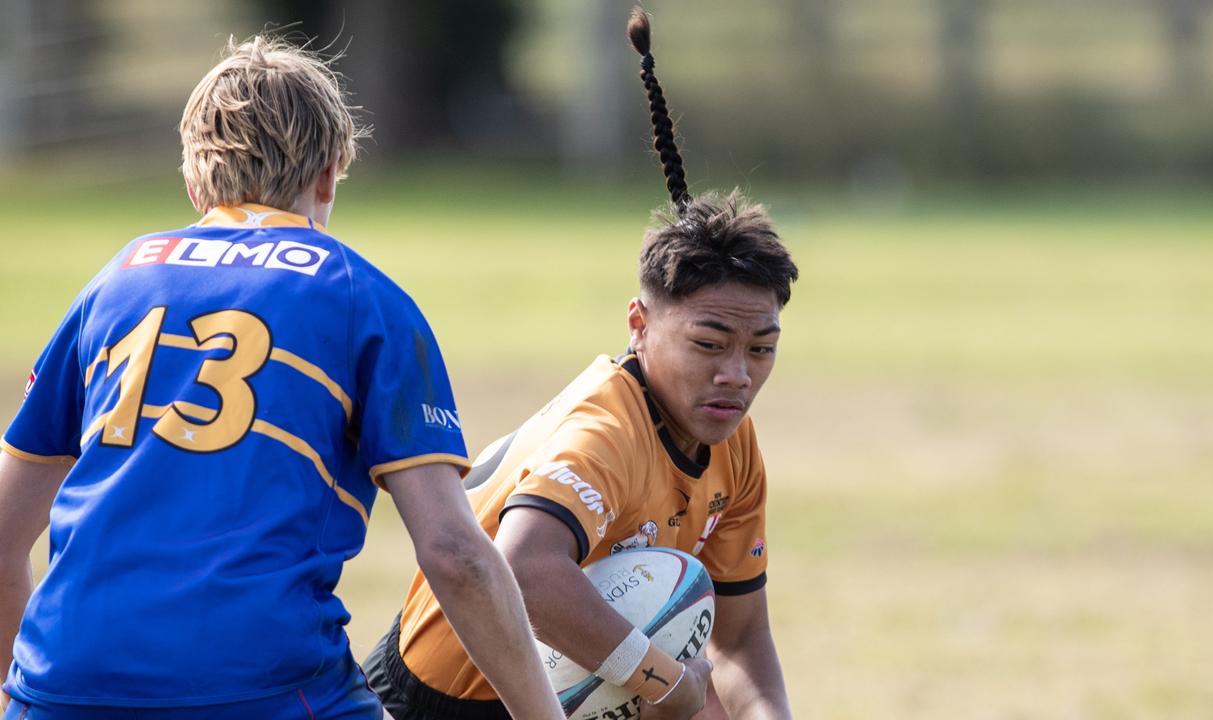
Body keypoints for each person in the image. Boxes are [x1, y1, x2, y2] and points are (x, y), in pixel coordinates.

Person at [0, 36, 563, 720]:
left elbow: (4, 535)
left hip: (60, 684)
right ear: (329, 176)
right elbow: (453, 552)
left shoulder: (114, 281)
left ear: (193, 184)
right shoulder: (360, 294)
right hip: (259, 685)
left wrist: (31, 690)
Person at [363, 9, 797, 720]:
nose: (737, 375)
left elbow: (742, 642)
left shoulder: (732, 447)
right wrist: (665, 681)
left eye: (761, 349)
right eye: (709, 343)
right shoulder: (607, 432)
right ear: (640, 324)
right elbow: (524, 570)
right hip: (428, 706)